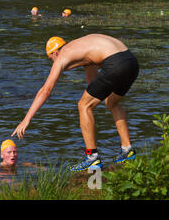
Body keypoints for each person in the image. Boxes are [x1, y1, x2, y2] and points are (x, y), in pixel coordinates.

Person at [11, 34, 139, 171]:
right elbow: (94, 83)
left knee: (83, 106)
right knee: (111, 103)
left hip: (115, 63)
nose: (53, 63)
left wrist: (26, 119)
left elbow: (45, 90)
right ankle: (127, 150)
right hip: (131, 62)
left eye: (51, 59)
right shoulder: (80, 48)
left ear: (55, 52)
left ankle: (91, 157)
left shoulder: (62, 55)